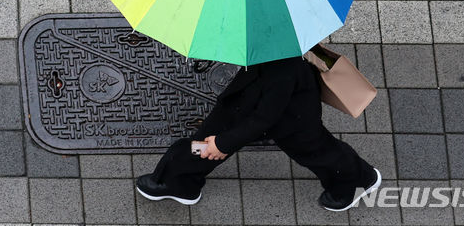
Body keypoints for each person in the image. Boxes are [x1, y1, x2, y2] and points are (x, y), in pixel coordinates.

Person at [135, 55, 381, 211]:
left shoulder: (284, 71)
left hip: (291, 115)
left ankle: (357, 178)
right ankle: (179, 180)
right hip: (249, 94)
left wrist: (223, 144)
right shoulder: (273, 34)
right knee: (204, 139)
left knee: (315, 149)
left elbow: (264, 118)